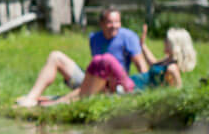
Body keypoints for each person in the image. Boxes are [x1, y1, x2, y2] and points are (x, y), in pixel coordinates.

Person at [15, 7, 147, 108]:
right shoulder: (95, 38)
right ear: (101, 24)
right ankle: (32, 97)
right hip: (94, 79)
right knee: (55, 56)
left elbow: (141, 65)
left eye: (117, 22)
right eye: (110, 22)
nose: (114, 26)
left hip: (113, 85)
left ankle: (58, 102)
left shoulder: (129, 37)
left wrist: (143, 91)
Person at [45, 26, 196, 105]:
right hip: (131, 84)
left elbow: (177, 93)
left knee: (106, 63)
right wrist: (142, 45)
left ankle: (56, 102)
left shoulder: (172, 68)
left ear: (175, 45)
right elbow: (152, 63)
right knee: (95, 88)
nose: (164, 42)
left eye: (167, 40)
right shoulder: (166, 61)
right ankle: (53, 100)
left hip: (132, 89)